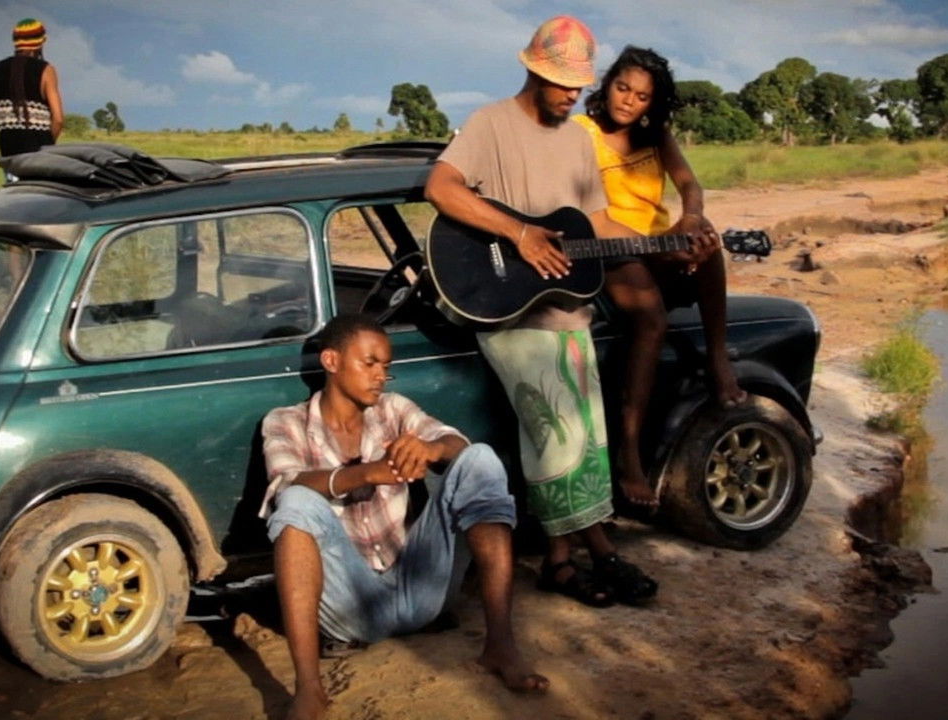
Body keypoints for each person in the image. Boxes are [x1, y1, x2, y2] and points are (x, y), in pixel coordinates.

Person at [425, 15, 658, 608]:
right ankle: (601, 553)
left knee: (587, 440)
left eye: (580, 85)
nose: (573, 95)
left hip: (567, 310)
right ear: (532, 69)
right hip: (507, 311)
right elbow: (442, 188)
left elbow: (597, 223)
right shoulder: (490, 124)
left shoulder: (580, 138)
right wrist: (519, 233)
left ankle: (560, 561)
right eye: (563, 83)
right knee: (559, 435)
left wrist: (668, 239)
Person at [259, 314, 547, 720]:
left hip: (419, 589)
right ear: (331, 361)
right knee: (295, 502)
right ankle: (309, 688)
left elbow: (453, 441)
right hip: (350, 607)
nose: (381, 376)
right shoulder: (285, 422)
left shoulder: (393, 409)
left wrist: (432, 451)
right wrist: (366, 473)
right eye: (370, 363)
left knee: (477, 458)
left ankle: (500, 645)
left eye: (386, 367)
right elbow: (287, 484)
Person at [571, 46, 746, 509]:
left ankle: (717, 359)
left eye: (641, 96)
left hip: (660, 242)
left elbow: (690, 185)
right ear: (607, 85)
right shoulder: (579, 133)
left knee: (709, 246)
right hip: (610, 248)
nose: (628, 100)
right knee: (650, 317)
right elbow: (589, 217)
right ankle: (628, 453)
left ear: (653, 103)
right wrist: (656, 248)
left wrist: (689, 221)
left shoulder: (656, 135)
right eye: (622, 87)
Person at [0, 18, 63, 158]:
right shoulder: (46, 69)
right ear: (40, 42)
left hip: (8, 150)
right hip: (39, 151)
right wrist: (46, 146)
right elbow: (58, 119)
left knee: (13, 181)